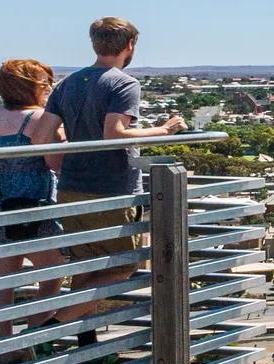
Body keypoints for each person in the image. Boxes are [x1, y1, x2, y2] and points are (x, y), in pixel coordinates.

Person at [45, 16, 184, 329]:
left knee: (86, 266)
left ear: (95, 43)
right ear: (130, 45)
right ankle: (50, 328)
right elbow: (115, 133)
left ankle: (81, 343)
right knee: (129, 264)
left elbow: (43, 134)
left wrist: (62, 163)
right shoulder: (123, 82)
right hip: (112, 189)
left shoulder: (68, 83)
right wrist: (164, 129)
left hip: (70, 187)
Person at [0, 59, 67, 324]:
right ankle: (34, 343)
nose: (48, 89)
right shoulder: (39, 118)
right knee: (51, 278)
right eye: (45, 84)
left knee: (3, 282)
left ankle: (4, 352)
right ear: (31, 87)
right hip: (34, 204)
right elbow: (54, 163)